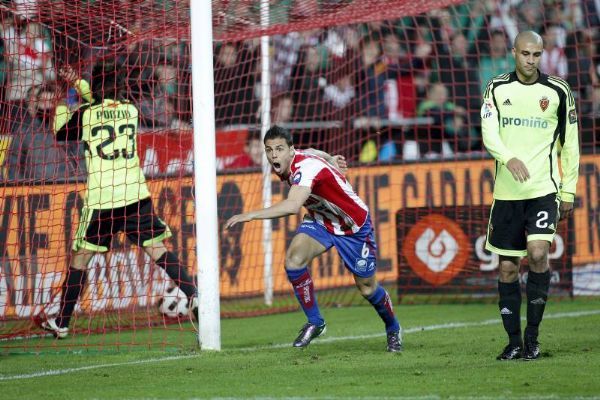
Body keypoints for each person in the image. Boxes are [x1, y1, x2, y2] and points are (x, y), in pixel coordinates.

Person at [40, 64, 198, 338]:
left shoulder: (86, 115)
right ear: (122, 87)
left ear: (95, 85)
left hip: (103, 200)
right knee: (157, 250)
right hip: (135, 194)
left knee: (80, 259)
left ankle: (63, 322)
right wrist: (80, 83)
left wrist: (68, 96)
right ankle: (194, 294)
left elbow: (60, 133)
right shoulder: (131, 110)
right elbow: (102, 102)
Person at [225, 125, 402, 352]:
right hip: (321, 221)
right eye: (269, 150)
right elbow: (312, 150)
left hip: (353, 227)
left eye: (279, 149)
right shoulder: (295, 157)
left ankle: (393, 328)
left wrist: (249, 215)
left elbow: (292, 205)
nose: (274, 155)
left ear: (291, 149)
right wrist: (330, 157)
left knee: (367, 289)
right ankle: (316, 322)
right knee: (294, 260)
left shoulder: (304, 169)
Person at [481, 31, 580, 361]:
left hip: (543, 189)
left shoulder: (557, 91)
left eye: (536, 54)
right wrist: (509, 158)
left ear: (542, 55)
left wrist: (568, 190)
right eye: (525, 53)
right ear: (514, 53)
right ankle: (513, 342)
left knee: (538, 254)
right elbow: (489, 132)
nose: (530, 60)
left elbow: (571, 145)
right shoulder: (497, 88)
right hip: (507, 193)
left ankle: (533, 338)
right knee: (507, 268)